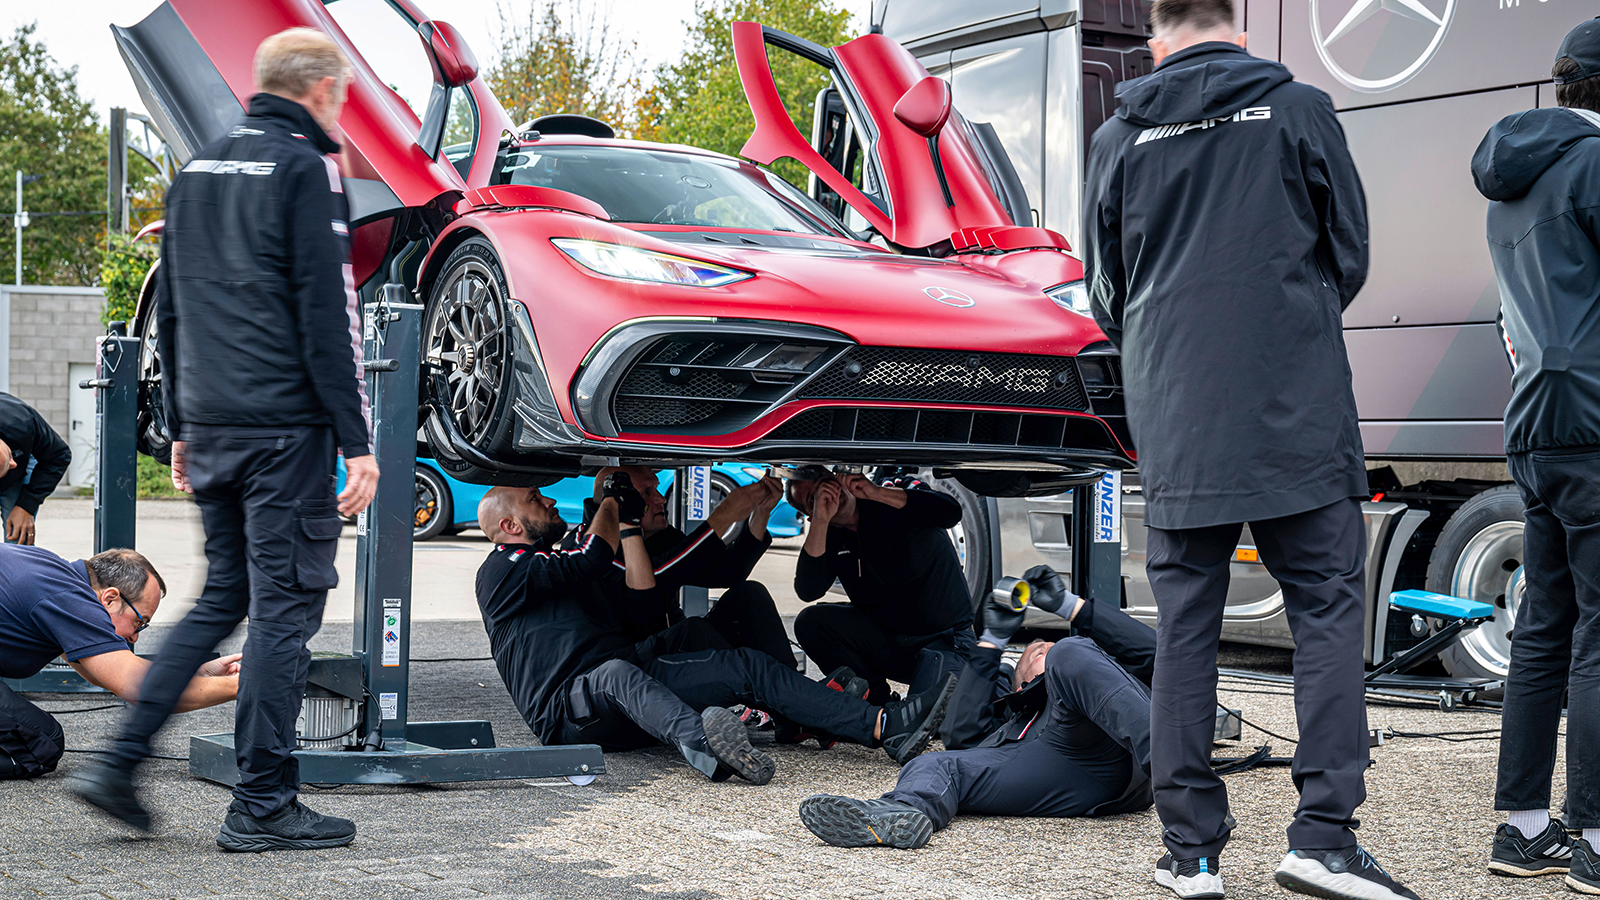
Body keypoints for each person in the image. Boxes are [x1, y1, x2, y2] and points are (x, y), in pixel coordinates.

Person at [1081, 2, 1416, 898]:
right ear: (1234, 25)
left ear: (1158, 37)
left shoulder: (1120, 136)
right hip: (1292, 406)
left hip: (1179, 413)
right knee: (1326, 617)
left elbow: (1105, 291)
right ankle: (1323, 841)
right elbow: (1349, 255)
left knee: (1185, 629)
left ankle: (1189, 855)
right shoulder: (1299, 109)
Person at [72, 28, 378, 853]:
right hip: (286, 433)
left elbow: (167, 307)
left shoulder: (196, 170)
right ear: (318, 90)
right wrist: (359, 441)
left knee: (224, 599)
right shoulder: (306, 168)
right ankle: (264, 804)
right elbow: (328, 316)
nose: (343, 111)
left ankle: (118, 764)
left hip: (213, 426)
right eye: (342, 96)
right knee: (286, 612)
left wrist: (178, 425)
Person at [473, 476, 956, 786]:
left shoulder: (564, 553)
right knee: (615, 671)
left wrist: (625, 518)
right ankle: (709, 746)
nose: (549, 499)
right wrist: (610, 504)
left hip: (630, 685)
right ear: (510, 525)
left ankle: (880, 726)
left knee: (740, 662)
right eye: (536, 499)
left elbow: (660, 584)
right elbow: (596, 555)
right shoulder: (503, 568)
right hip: (571, 712)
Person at [1471, 17, 1600, 893]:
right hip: (1597, 422)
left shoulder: (1513, 183)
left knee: (1545, 631)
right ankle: (1596, 837)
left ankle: (1523, 829)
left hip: (1537, 431)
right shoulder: (1596, 165)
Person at [797, 566, 1154, 850]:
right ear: (1019, 683)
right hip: (1058, 763)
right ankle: (901, 814)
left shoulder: (1097, 669)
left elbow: (1158, 654)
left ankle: (1176, 768)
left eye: (1045, 645)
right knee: (932, 763)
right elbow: (960, 735)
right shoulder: (1015, 715)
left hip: (1119, 746)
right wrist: (992, 643)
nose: (1043, 646)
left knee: (1072, 652)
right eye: (1033, 652)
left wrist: (1069, 607)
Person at [0, 546, 238, 779]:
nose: (135, 637)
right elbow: (137, 685)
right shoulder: (71, 600)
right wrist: (243, 685)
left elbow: (105, 672)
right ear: (111, 598)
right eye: (139, 622)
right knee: (42, 744)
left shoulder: (53, 573)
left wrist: (195, 674)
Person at [572, 466, 795, 667]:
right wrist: (724, 515)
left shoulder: (660, 536)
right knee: (693, 631)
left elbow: (729, 572)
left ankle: (791, 685)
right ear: (615, 502)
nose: (660, 499)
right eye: (647, 493)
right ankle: (767, 689)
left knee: (748, 595)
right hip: (625, 664)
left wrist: (761, 513)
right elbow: (655, 576)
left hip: (671, 641)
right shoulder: (590, 545)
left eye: (656, 489)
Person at [787, 469, 976, 706]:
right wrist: (822, 520)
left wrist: (876, 493)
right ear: (810, 515)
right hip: (890, 645)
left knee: (927, 718)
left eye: (826, 484)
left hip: (944, 640)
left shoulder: (889, 489)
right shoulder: (829, 536)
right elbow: (808, 590)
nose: (828, 495)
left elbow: (949, 512)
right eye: (813, 499)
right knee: (810, 622)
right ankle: (873, 699)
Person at [0, 392, 71, 545]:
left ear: (12, 461)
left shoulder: (21, 423)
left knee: (18, 534)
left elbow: (59, 456)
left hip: (23, 453)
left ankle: (19, 564)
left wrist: (27, 505)